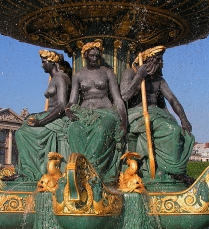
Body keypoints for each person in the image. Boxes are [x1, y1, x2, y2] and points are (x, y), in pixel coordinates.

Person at [120, 46, 195, 181]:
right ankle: (173, 171)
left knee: (185, 134)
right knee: (173, 131)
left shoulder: (159, 80)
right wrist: (139, 76)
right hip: (137, 114)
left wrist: (184, 119)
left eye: (159, 61)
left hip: (157, 114)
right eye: (157, 61)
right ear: (148, 61)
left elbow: (172, 99)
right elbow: (124, 96)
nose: (159, 64)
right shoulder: (130, 73)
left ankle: (174, 170)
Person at [65, 40, 127, 182]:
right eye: (91, 56)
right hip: (84, 113)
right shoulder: (78, 75)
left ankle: (92, 170)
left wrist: (124, 122)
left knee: (101, 128)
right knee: (74, 129)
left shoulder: (107, 73)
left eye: (97, 56)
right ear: (85, 55)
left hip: (106, 111)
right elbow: (72, 100)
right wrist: (68, 110)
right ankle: (79, 166)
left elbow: (117, 99)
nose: (94, 59)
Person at [11, 50, 72, 181]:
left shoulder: (61, 78)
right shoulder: (54, 79)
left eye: (44, 62)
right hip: (52, 115)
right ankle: (24, 170)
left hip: (58, 119)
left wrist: (41, 121)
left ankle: (29, 172)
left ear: (52, 62)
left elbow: (62, 105)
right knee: (26, 123)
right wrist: (37, 115)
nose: (42, 65)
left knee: (22, 133)